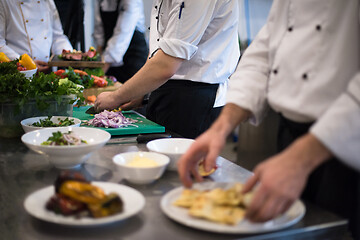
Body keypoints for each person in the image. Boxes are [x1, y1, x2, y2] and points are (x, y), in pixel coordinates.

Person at [177, 1, 360, 239]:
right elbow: (264, 53)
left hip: (346, 148)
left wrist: (300, 160)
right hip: (289, 137)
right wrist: (220, 128)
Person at [95, 0, 240, 139]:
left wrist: (116, 97)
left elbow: (167, 64)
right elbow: (159, 49)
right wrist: (141, 89)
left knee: (179, 163)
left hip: (193, 100)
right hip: (163, 88)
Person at [0, 0, 73, 72]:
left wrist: (69, 54)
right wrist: (27, 65)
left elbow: (57, 37)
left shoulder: (47, 2)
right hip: (20, 72)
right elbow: (0, 44)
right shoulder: (4, 2)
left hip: (46, 72)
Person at [93, 0, 148, 83]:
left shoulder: (132, 2)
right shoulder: (101, 2)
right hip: (109, 59)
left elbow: (121, 36)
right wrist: (96, 63)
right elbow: (99, 32)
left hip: (133, 58)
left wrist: (98, 73)